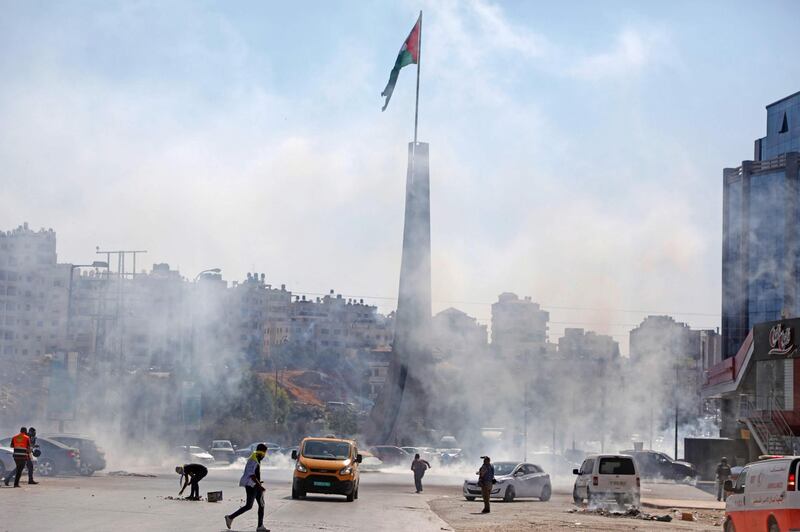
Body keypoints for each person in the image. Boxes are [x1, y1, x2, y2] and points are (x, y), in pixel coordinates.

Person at [225, 443, 269, 532]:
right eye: (264, 453)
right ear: (261, 452)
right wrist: (259, 486)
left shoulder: (256, 458)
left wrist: (259, 483)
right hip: (251, 486)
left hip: (255, 485)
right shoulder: (253, 460)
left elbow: (255, 474)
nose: (264, 455)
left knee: (261, 505)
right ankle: (230, 517)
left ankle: (260, 526)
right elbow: (252, 475)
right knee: (249, 506)